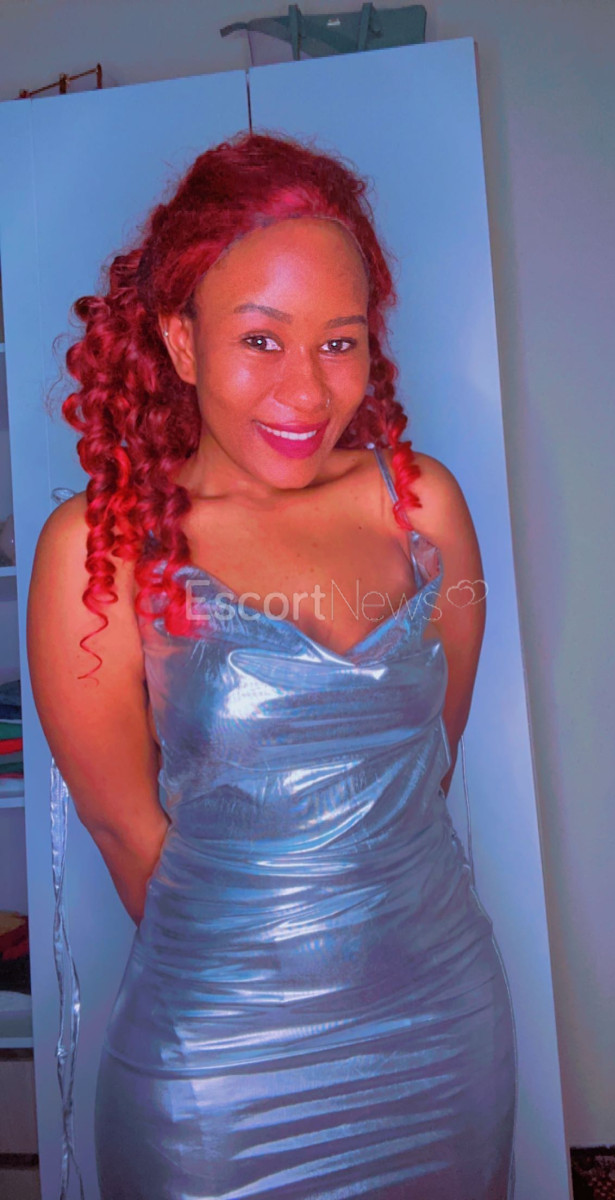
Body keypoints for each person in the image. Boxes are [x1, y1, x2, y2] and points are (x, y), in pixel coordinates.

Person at [27, 130, 517, 1199]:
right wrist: (267, 958)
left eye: (340, 343)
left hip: (439, 1028)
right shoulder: (102, 547)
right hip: (221, 1066)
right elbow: (125, 831)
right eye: (260, 339)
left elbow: (424, 765)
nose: (306, 391)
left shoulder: (419, 506)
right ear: (182, 341)